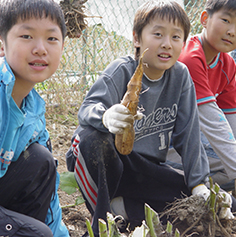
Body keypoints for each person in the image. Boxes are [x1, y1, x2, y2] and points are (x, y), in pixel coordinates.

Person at [66, 1, 235, 236]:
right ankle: (103, 219)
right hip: (109, 163)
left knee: (192, 201)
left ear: (183, 43)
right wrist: (106, 116)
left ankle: (123, 207)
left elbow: (189, 134)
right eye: (158, 34)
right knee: (91, 138)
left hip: (145, 168)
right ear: (137, 38)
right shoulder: (122, 70)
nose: (167, 44)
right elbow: (86, 109)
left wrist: (199, 185)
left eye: (176, 37)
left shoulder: (180, 76)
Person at [0, 0, 69, 236]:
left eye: (51, 39)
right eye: (27, 36)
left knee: (41, 161)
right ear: (1, 44)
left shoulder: (34, 108)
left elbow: (49, 195)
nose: (41, 48)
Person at [166, 0, 236, 192]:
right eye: (226, 20)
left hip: (191, 142)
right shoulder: (190, 57)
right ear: (205, 19)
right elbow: (212, 120)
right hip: (164, 143)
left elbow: (231, 121)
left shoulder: (228, 65)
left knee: (225, 167)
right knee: (224, 168)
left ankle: (193, 189)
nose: (232, 31)